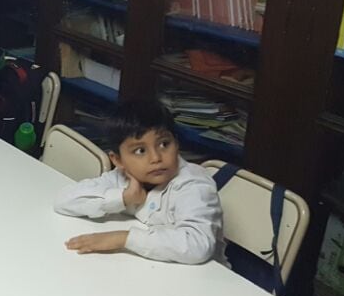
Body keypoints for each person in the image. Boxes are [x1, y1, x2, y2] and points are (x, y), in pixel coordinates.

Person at [54, 99, 226, 265]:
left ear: (177, 143)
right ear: (118, 160)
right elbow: (63, 201)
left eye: (164, 144)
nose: (156, 158)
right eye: (140, 150)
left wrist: (123, 238)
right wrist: (123, 197)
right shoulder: (121, 175)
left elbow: (197, 246)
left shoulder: (194, 184)